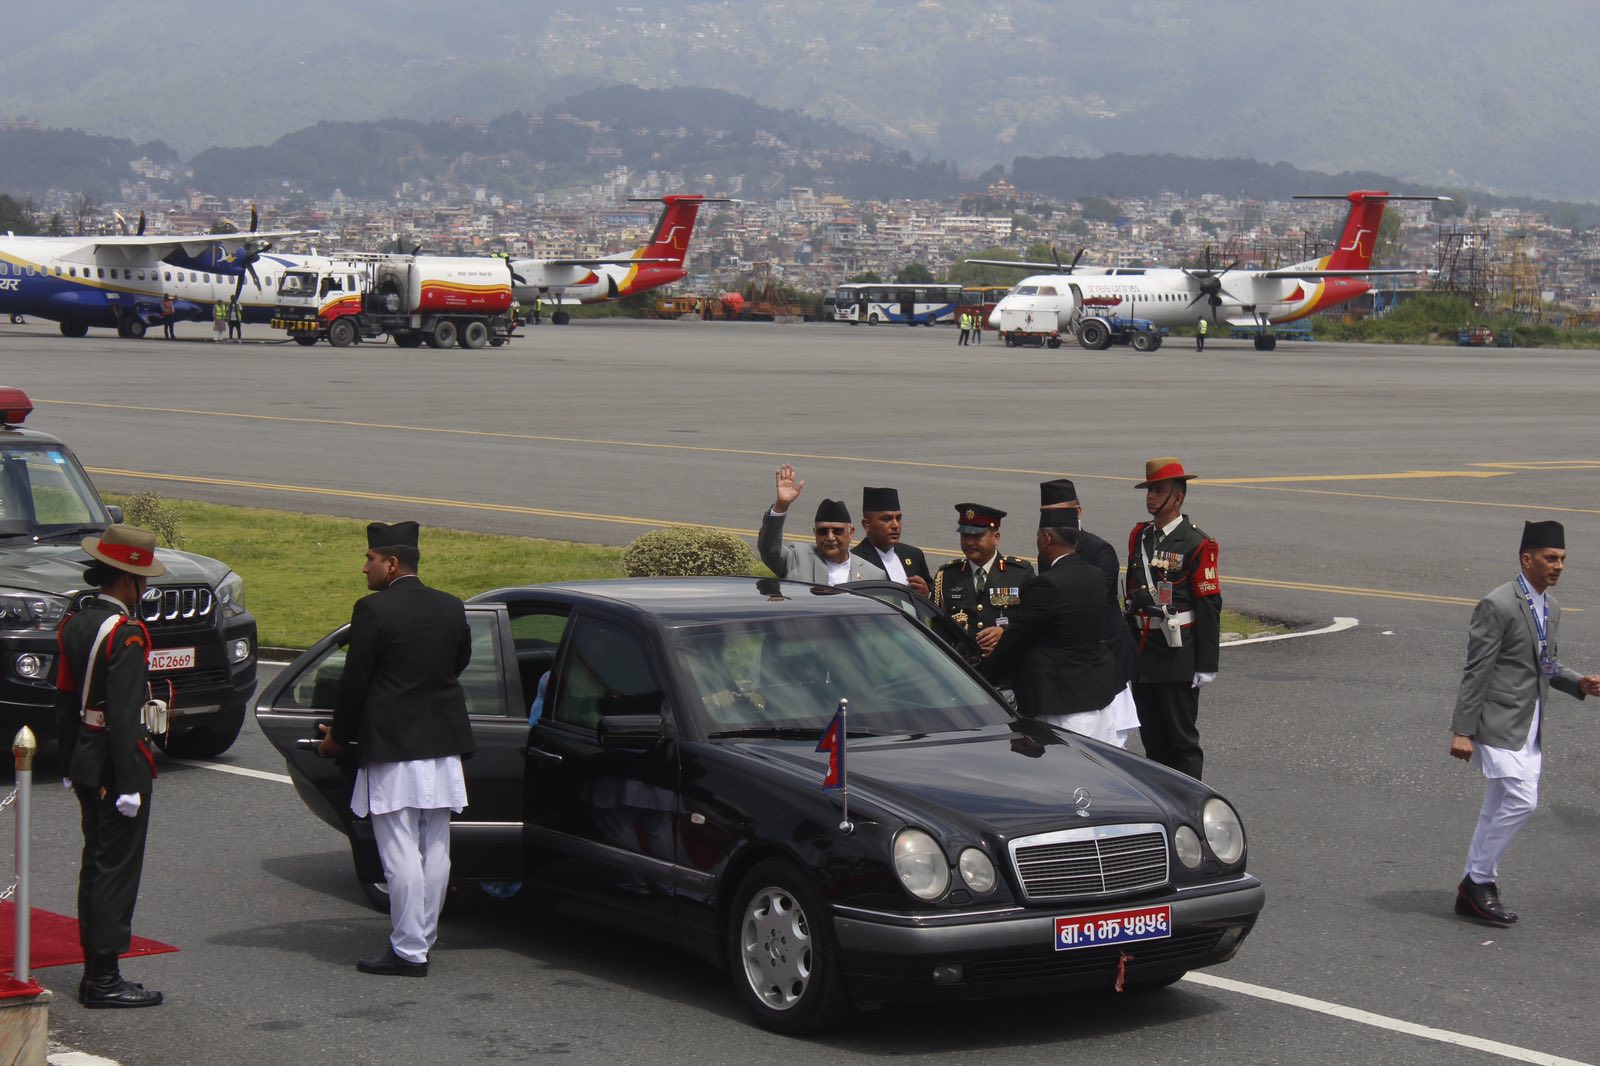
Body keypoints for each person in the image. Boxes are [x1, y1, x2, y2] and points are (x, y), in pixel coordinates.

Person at [317, 521, 474, 977]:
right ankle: (422, 939)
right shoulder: (451, 606)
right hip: (442, 741)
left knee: (400, 848)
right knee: (436, 845)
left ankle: (408, 950)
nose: (363, 567)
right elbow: (458, 662)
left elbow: (355, 683)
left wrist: (338, 737)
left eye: (369, 559)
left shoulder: (373, 610)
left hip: (393, 744)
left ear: (391, 563)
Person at [1448, 520, 1600, 925]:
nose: (1558, 566)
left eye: (1563, 559)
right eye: (1551, 558)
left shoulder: (1550, 607)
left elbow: (1546, 663)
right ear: (1526, 559)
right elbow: (1476, 670)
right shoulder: (1497, 604)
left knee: (1495, 806)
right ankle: (1478, 880)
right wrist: (1462, 730)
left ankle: (1473, 889)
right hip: (1498, 720)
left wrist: (1578, 682)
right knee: (1522, 801)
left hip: (1529, 724)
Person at [52, 525, 168, 1009]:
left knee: (96, 865)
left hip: (83, 756)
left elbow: (63, 697)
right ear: (128, 582)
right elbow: (123, 718)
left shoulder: (76, 620)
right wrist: (129, 782)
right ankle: (103, 978)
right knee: (116, 869)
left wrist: (68, 759)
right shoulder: (126, 634)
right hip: (114, 766)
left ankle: (96, 970)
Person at [980, 508, 1123, 741]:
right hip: (1098, 699)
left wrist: (980, 682)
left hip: (1062, 704)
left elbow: (1016, 640)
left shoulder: (1048, 584)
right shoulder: (1095, 575)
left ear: (1046, 539)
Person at [1124, 457, 1220, 778]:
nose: (1151, 496)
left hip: (1177, 654)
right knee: (1153, 742)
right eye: (1149, 490)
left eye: (1159, 490)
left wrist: (1206, 663)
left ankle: (1192, 807)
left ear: (1177, 498)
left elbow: (1209, 605)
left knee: (1181, 741)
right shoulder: (1140, 537)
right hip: (1144, 654)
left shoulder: (1196, 542)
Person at [1041, 478, 1140, 746]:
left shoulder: (1099, 550)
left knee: (1109, 743)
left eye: (1062, 512)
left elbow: (1090, 606)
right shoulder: (1047, 550)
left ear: (1079, 512)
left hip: (1106, 656)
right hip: (1071, 667)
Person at [758, 464, 885, 585]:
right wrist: (781, 505)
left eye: (837, 531)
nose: (830, 537)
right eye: (823, 531)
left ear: (851, 533)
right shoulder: (797, 558)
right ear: (815, 533)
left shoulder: (873, 575)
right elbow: (769, 549)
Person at [933, 503, 1034, 654]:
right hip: (963, 667)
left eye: (976, 536)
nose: (969, 542)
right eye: (965, 536)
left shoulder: (1020, 574)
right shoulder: (947, 575)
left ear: (996, 538)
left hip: (1005, 666)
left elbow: (1034, 620)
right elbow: (937, 626)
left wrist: (1005, 632)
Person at [853, 486, 932, 596]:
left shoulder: (914, 555)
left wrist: (927, 594)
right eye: (886, 519)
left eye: (898, 518)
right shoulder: (856, 561)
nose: (895, 525)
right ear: (867, 524)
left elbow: (935, 598)